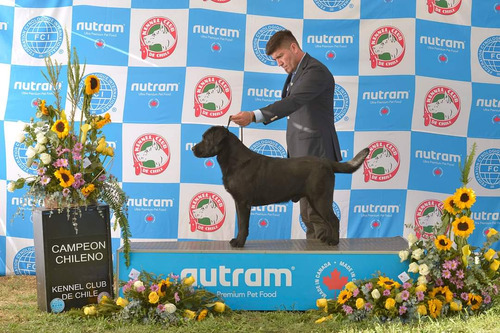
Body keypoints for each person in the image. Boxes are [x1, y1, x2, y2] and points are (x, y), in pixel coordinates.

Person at [231, 29, 342, 242]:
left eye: (280, 56)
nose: (279, 63)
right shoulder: (296, 73)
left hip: (316, 152)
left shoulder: (315, 71)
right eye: (275, 60)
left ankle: (322, 259)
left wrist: (254, 116)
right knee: (308, 215)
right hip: (302, 155)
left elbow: (292, 103)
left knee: (316, 215)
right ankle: (315, 257)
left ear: (294, 47)